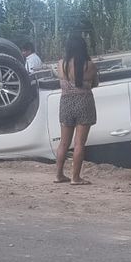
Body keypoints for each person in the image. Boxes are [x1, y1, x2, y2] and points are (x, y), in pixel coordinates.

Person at [54, 35, 97, 185]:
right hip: (84, 103)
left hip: (65, 103)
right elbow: (95, 83)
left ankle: (59, 175)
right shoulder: (89, 65)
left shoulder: (61, 64)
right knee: (79, 143)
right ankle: (75, 177)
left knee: (63, 143)